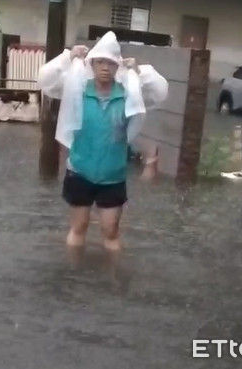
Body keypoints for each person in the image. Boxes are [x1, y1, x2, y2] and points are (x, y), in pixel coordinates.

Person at [38, 32, 168, 269]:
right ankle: (74, 275)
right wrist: (67, 57)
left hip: (113, 176)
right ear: (92, 64)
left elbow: (160, 93)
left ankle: (114, 281)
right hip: (80, 171)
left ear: (117, 67)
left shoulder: (128, 93)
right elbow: (45, 81)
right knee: (79, 227)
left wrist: (141, 71)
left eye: (111, 63)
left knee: (111, 231)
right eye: (100, 62)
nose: (105, 68)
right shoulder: (76, 89)